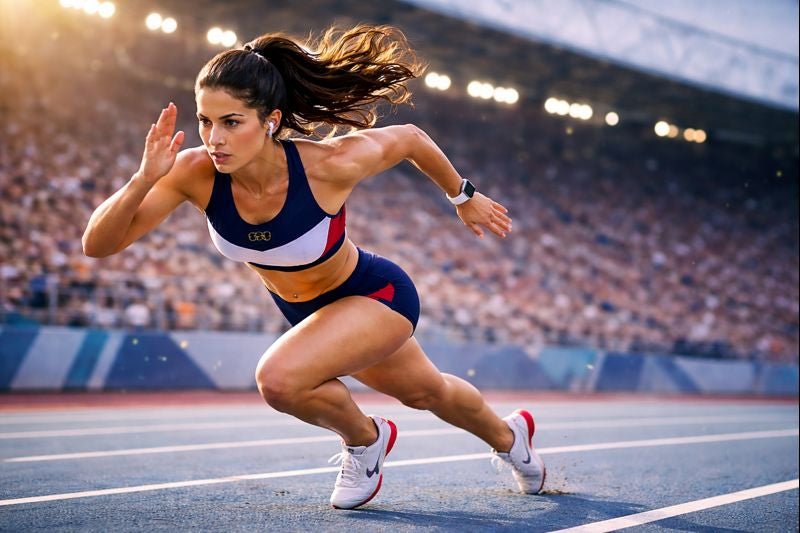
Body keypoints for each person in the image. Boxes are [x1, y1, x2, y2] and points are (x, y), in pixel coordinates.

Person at [82, 24, 545, 509]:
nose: (214, 138)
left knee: (279, 379)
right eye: (205, 121)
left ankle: (366, 441)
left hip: (374, 295)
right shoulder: (194, 174)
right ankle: (513, 439)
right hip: (313, 316)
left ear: (271, 120)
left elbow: (408, 138)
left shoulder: (326, 165)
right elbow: (99, 245)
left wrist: (462, 195)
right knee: (427, 392)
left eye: (232, 122)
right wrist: (142, 179)